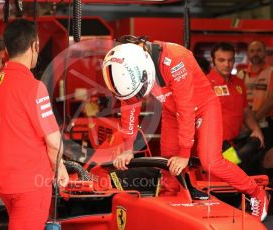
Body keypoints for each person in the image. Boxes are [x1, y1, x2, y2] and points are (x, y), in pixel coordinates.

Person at [102, 35, 270, 221]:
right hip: (172, 111)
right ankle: (171, 202)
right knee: (168, 164)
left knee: (210, 161)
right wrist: (127, 149)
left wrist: (184, 152)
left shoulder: (175, 59)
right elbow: (130, 106)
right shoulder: (128, 62)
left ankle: (256, 193)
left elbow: (186, 108)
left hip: (203, 108)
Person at [0, 19, 69, 230]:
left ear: (6, 49)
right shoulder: (34, 87)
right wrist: (60, 167)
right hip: (30, 185)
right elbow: (53, 141)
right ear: (35, 46)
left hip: (3, 183)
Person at [207, 42, 264, 172]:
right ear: (213, 60)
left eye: (230, 60)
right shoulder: (205, 84)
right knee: (224, 184)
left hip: (235, 144)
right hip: (215, 148)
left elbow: (245, 110)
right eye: (221, 60)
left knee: (244, 177)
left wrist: (256, 129)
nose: (227, 65)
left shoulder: (238, 83)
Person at [237, 41, 273, 150]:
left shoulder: (271, 72)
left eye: (259, 50)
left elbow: (271, 101)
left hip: (265, 125)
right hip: (243, 126)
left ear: (265, 53)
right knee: (242, 160)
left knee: (263, 161)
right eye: (252, 51)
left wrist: (253, 121)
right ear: (248, 54)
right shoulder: (241, 74)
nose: (255, 54)